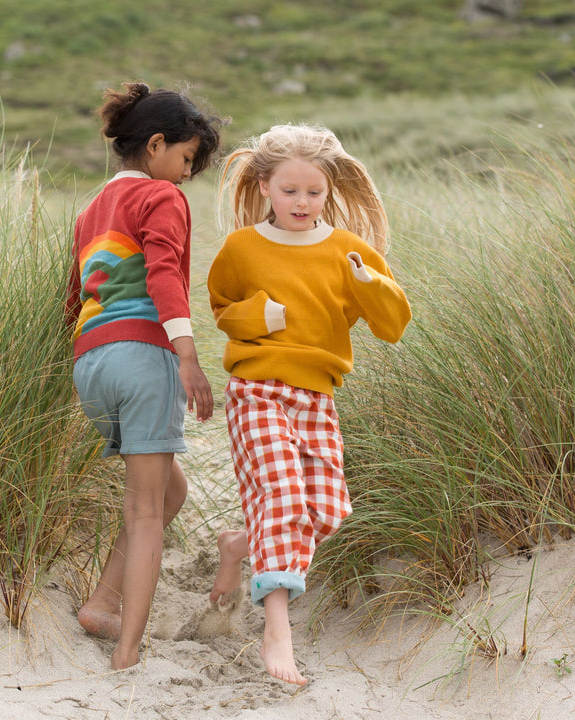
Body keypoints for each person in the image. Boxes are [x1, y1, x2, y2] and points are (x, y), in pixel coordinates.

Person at [207, 123, 412, 685]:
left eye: (314, 192)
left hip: (317, 395)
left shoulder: (349, 250)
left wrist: (369, 282)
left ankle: (238, 545)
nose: (302, 202)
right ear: (265, 186)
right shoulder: (241, 247)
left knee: (326, 511)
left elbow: (393, 326)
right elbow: (222, 307)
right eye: (289, 190)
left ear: (330, 190)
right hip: (257, 389)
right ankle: (279, 632)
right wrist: (260, 317)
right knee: (283, 498)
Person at [65, 81, 222, 671]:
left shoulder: (91, 208)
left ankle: (105, 603)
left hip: (92, 364)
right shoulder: (161, 198)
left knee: (169, 491)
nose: (184, 176)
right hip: (140, 355)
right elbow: (163, 277)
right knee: (146, 511)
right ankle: (128, 653)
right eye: (184, 159)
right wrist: (187, 356)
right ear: (156, 145)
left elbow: (74, 293)